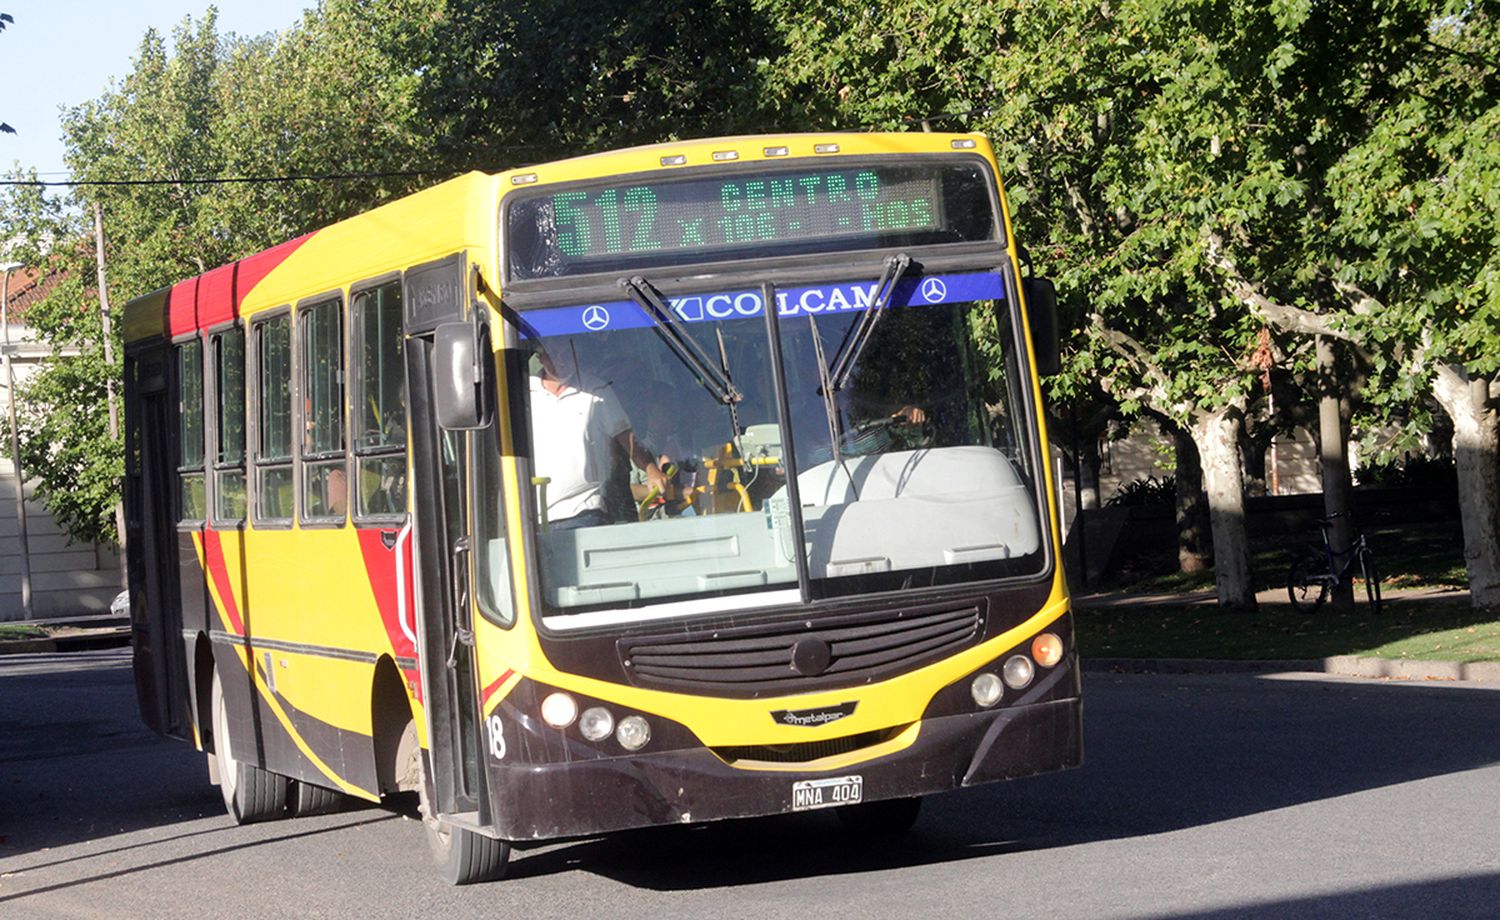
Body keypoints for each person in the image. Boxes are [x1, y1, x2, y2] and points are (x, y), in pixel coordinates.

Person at [529, 343, 669, 530]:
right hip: (530, 514)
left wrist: (651, 469)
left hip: (583, 509)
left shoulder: (595, 389)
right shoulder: (523, 392)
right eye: (555, 354)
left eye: (568, 354)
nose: (562, 361)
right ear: (541, 357)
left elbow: (625, 436)